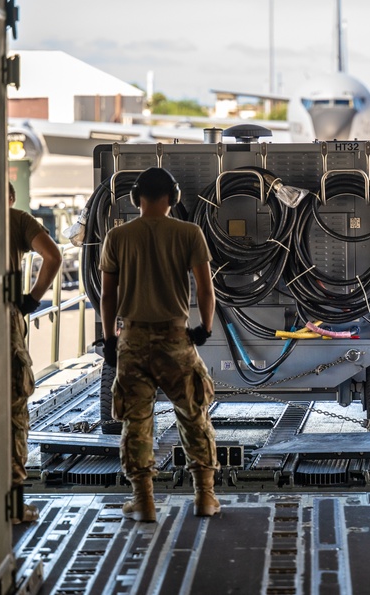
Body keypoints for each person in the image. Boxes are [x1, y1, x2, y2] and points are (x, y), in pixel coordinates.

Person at [99, 166, 220, 521]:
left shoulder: (117, 237)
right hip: (175, 339)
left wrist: (110, 339)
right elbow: (206, 289)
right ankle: (204, 497)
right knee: (194, 415)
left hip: (132, 339)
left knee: (136, 422)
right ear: (173, 197)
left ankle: (144, 502)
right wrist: (204, 328)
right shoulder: (189, 233)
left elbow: (107, 295)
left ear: (136, 198)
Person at [8, 182, 62, 524]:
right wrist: (31, 299)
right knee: (14, 412)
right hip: (5, 324)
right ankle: (13, 506)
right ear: (10, 197)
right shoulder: (17, 219)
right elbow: (53, 256)